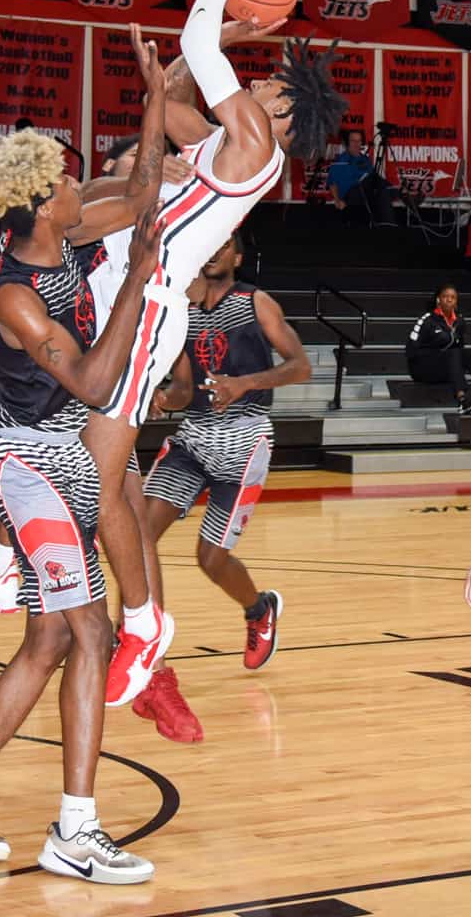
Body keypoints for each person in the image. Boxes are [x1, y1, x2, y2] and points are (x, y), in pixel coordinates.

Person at [78, 0, 347, 710]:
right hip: (129, 291)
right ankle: (131, 615)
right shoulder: (230, 144)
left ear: (284, 109)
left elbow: (199, 57)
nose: (255, 80)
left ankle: (142, 623)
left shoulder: (255, 139)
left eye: (266, 82)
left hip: (150, 304)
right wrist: (175, 63)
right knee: (100, 470)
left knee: (98, 473)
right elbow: (169, 102)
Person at [0, 58, 167, 884]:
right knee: (90, 631)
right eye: (67, 178)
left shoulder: (53, 236)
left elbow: (143, 195)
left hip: (60, 458)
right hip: (29, 464)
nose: (82, 184)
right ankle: (75, 831)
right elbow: (92, 383)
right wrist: (136, 281)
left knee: (55, 633)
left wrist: (157, 95)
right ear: (43, 200)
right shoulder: (17, 293)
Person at [136, 235, 311, 739]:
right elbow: (186, 387)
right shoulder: (181, 306)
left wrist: (243, 384)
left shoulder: (255, 302)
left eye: (225, 246)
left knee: (209, 560)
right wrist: (164, 401)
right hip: (194, 438)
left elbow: (301, 366)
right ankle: (144, 643)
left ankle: (259, 609)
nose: (214, 252)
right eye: (209, 244)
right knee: (138, 536)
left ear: (236, 257)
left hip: (245, 440)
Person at [406, 283, 471, 412]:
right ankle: (462, 400)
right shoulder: (427, 320)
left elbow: (460, 349)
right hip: (423, 369)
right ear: (438, 300)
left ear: (456, 301)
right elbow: (410, 350)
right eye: (445, 296)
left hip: (447, 367)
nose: (449, 299)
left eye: (453, 297)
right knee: (453, 353)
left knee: (463, 353)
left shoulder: (460, 321)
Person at [327, 128, 395, 225]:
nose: (356, 143)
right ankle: (396, 194)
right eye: (353, 141)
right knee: (374, 180)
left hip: (366, 195)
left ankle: (389, 223)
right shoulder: (340, 160)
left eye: (359, 141)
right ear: (347, 142)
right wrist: (337, 200)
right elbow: (331, 182)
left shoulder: (365, 160)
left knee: (382, 187)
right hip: (349, 196)